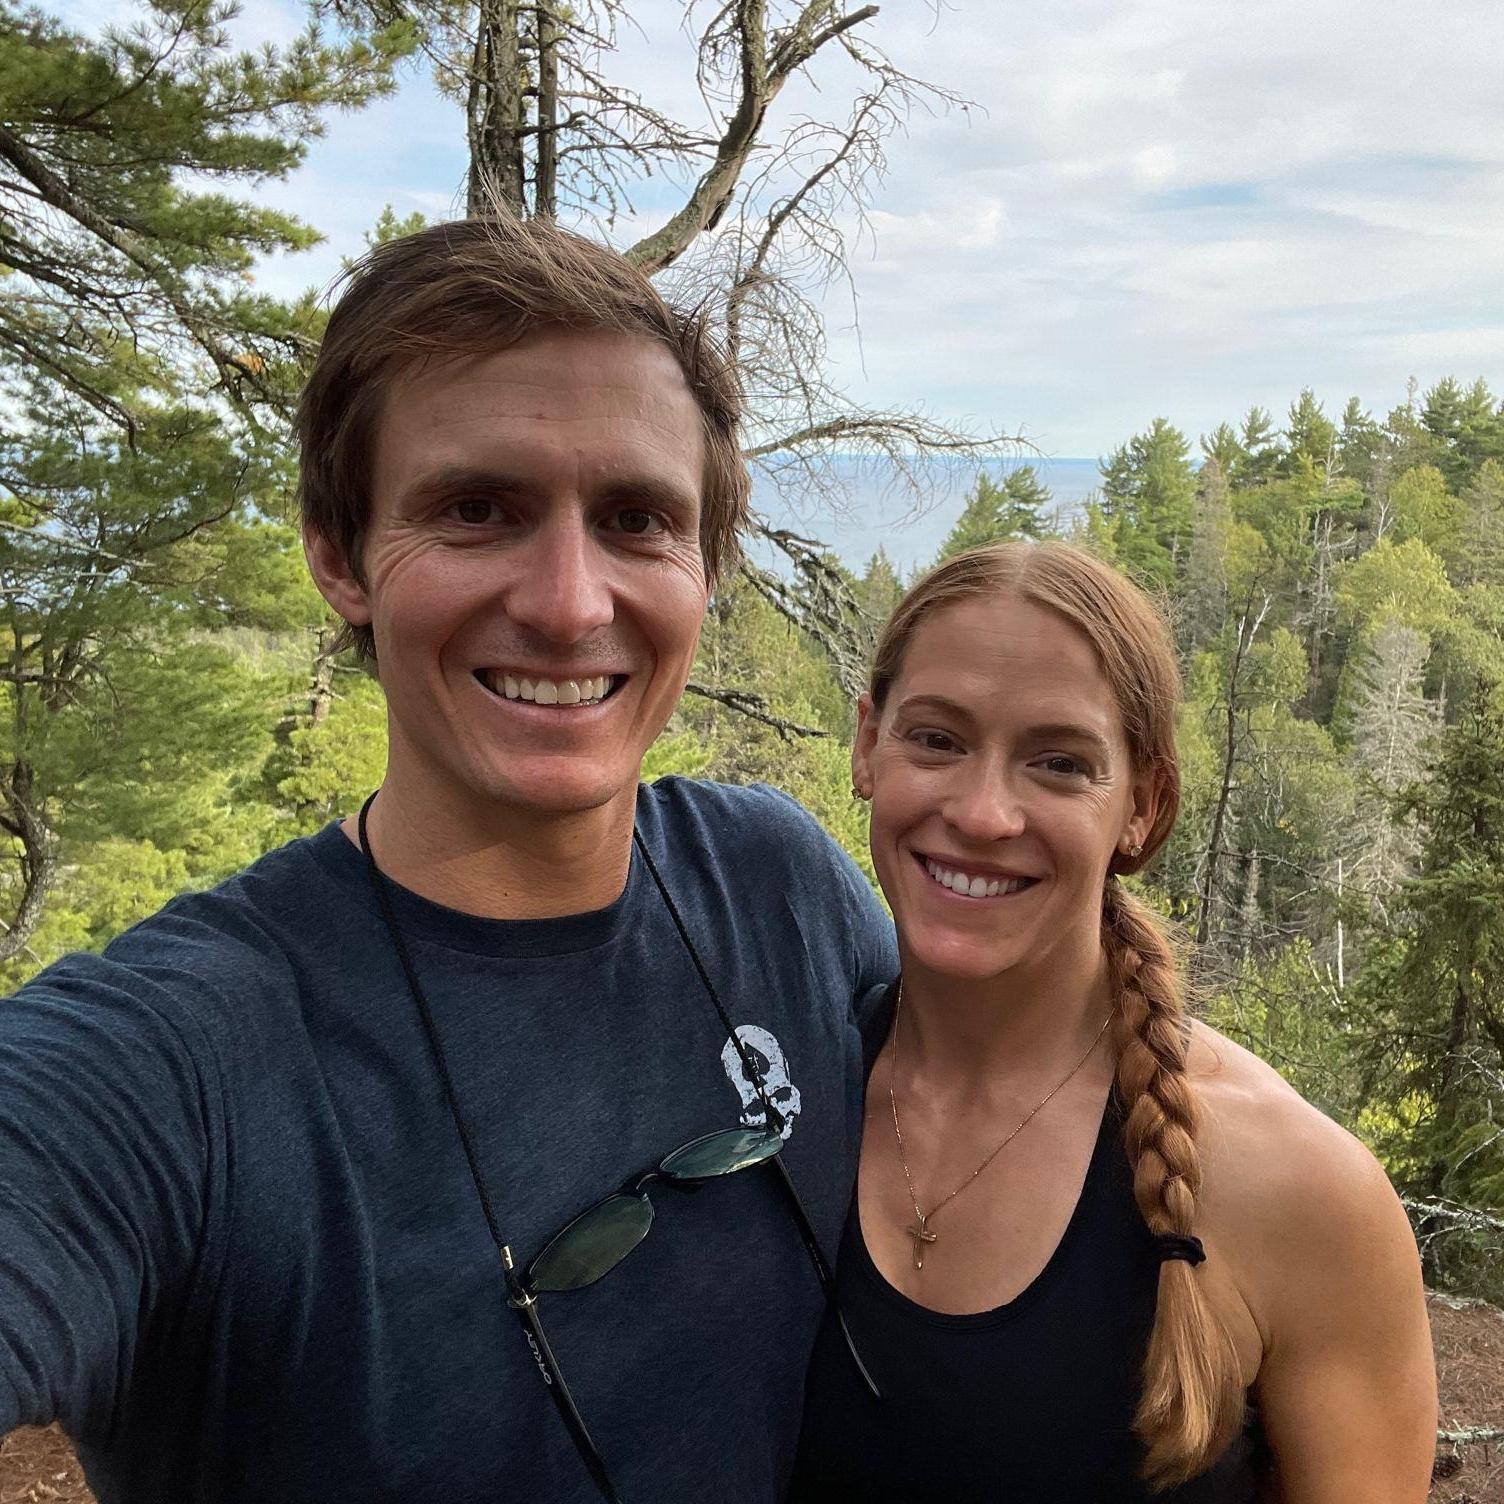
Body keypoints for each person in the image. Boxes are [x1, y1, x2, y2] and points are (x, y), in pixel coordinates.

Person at [0, 215, 895, 1504]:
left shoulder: (782, 887)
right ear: (338, 552)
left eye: (639, 518)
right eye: (478, 510)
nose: (571, 602)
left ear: (704, 570)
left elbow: (1026, 1094)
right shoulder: (183, 1061)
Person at [792, 540, 1437, 1502]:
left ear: (1145, 804)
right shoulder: (787, 1096)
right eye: (936, 739)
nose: (982, 811)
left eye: (1058, 763)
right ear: (865, 745)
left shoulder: (1299, 1192)